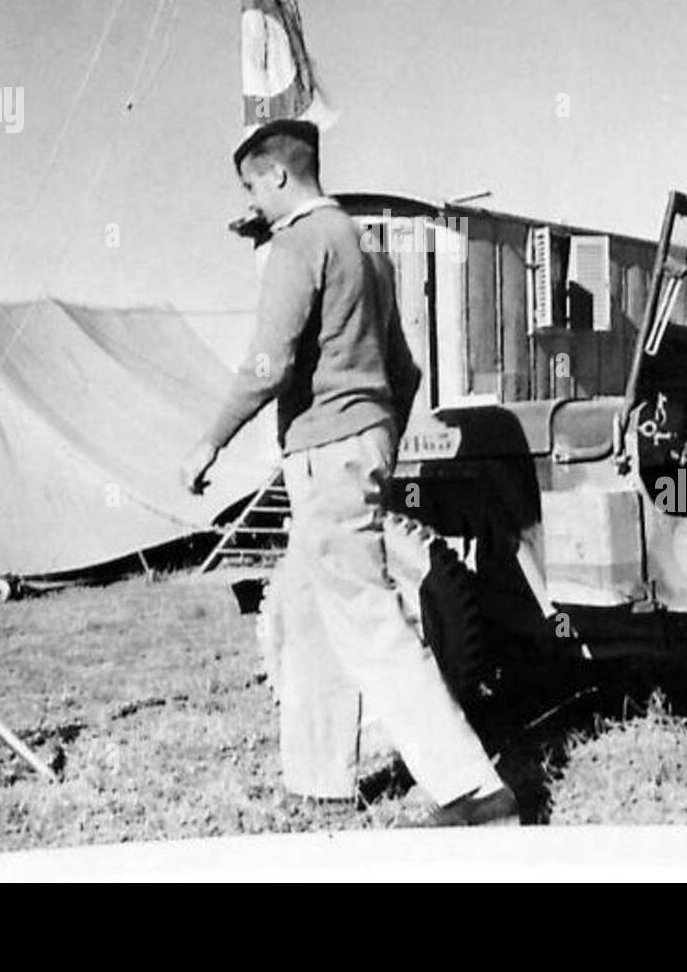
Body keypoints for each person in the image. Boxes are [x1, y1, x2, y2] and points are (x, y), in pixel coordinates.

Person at [181, 118, 517, 826]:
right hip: (356, 445)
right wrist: (381, 437)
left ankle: (474, 790)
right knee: (306, 612)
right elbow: (407, 369)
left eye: (251, 185)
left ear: (277, 174)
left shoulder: (299, 243)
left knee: (368, 619)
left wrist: (208, 442)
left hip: (324, 453)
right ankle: (318, 778)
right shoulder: (367, 250)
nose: (251, 202)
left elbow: (267, 364)